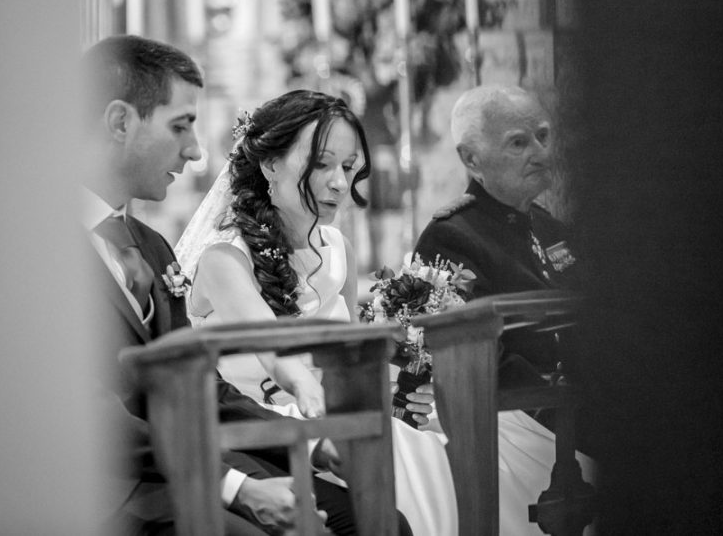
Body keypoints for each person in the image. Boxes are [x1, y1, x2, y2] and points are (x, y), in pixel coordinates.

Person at [178, 89, 569, 536]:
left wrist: (408, 382)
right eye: (321, 164)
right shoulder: (224, 260)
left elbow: (353, 357)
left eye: (348, 167)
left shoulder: (338, 250)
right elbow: (278, 353)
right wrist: (313, 395)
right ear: (269, 164)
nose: (340, 184)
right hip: (264, 426)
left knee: (455, 465)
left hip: (339, 414)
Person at [80, 36, 397, 536]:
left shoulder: (152, 246)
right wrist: (237, 488)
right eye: (181, 125)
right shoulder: (40, 253)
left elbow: (203, 387)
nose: (197, 151)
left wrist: (312, 443)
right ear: (120, 122)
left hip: (188, 457)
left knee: (373, 518)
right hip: (104, 488)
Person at [414, 84, 581, 383]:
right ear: (471, 159)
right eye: (518, 143)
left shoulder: (550, 227)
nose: (541, 154)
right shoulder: (451, 239)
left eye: (543, 137)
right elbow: (473, 360)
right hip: (510, 415)